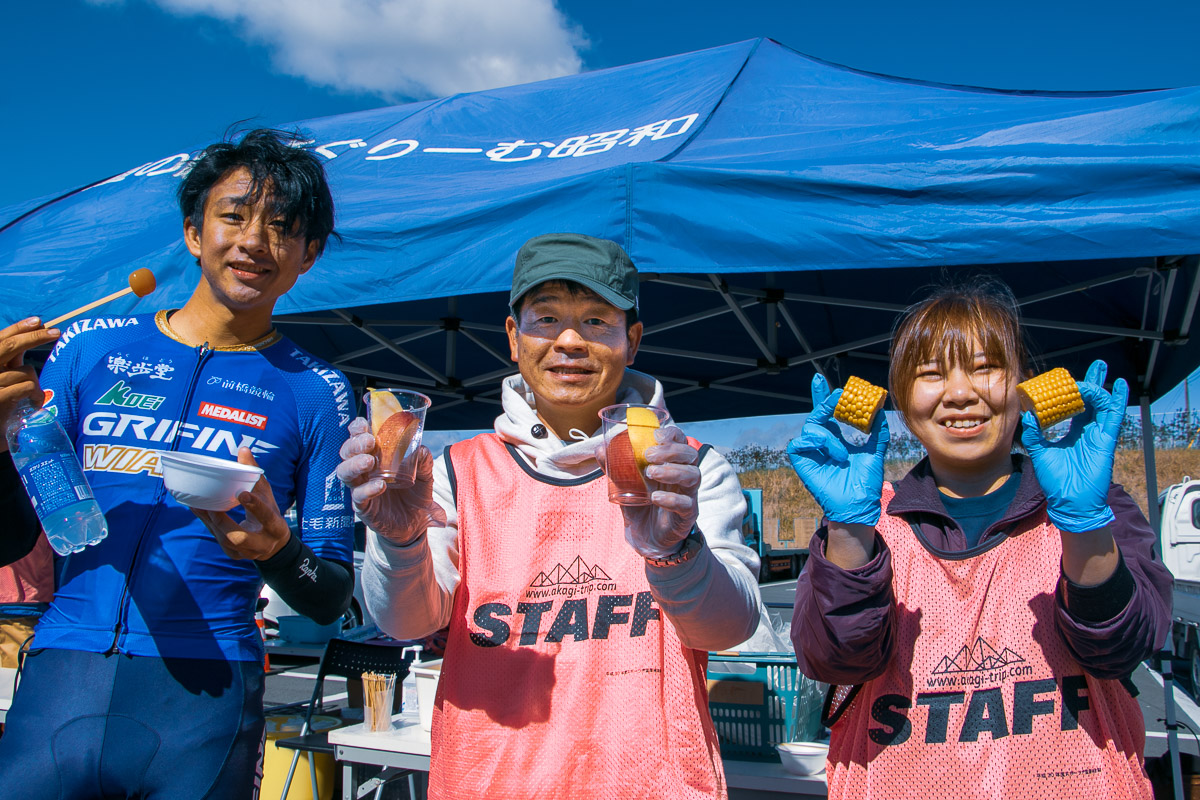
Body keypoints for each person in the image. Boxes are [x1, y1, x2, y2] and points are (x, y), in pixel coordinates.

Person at [337, 233, 764, 800]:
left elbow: (730, 628)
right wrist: (399, 538)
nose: (570, 341)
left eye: (595, 321)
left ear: (631, 341)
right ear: (514, 338)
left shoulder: (687, 468)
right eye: (546, 318)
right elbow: (406, 623)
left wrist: (676, 551)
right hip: (488, 781)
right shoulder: (457, 472)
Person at [0, 129, 356, 799]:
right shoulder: (85, 349)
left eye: (283, 227)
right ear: (194, 232)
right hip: (60, 676)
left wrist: (279, 551)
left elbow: (332, 594)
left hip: (206, 697)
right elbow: (13, 537)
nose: (254, 240)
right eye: (234, 215)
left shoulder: (318, 390)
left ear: (307, 256)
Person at [787, 279, 1172, 799]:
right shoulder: (863, 520)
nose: (961, 393)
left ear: (1024, 384)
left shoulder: (1100, 504)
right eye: (930, 374)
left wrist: (1082, 524)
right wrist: (851, 526)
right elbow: (835, 663)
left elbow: (1122, 651)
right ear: (900, 397)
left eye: (987, 367)